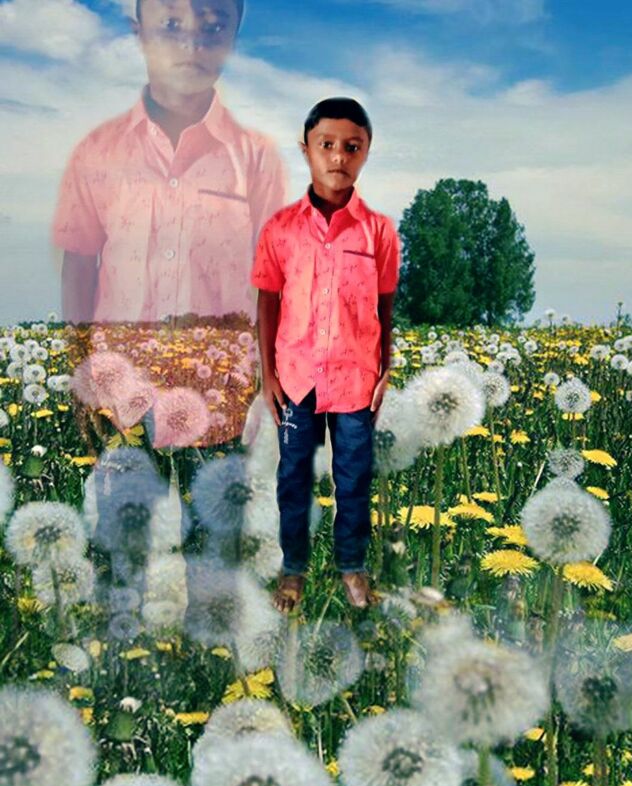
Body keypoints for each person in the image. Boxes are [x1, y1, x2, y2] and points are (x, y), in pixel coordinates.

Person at [52, 0, 287, 327]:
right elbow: (79, 264)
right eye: (171, 25)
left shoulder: (258, 158)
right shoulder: (96, 152)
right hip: (118, 357)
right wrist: (78, 354)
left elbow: (273, 276)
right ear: (140, 33)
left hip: (221, 357)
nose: (191, 43)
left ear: (233, 39)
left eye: (213, 27)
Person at [251, 97, 400, 611]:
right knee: (293, 477)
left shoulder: (379, 231)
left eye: (352, 147)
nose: (339, 157)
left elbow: (386, 305)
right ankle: (293, 570)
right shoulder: (280, 229)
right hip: (295, 378)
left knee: (354, 479)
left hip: (357, 379)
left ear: (367, 152)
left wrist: (386, 367)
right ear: (306, 150)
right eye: (327, 145)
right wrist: (268, 375)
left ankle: (352, 568)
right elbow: (267, 301)